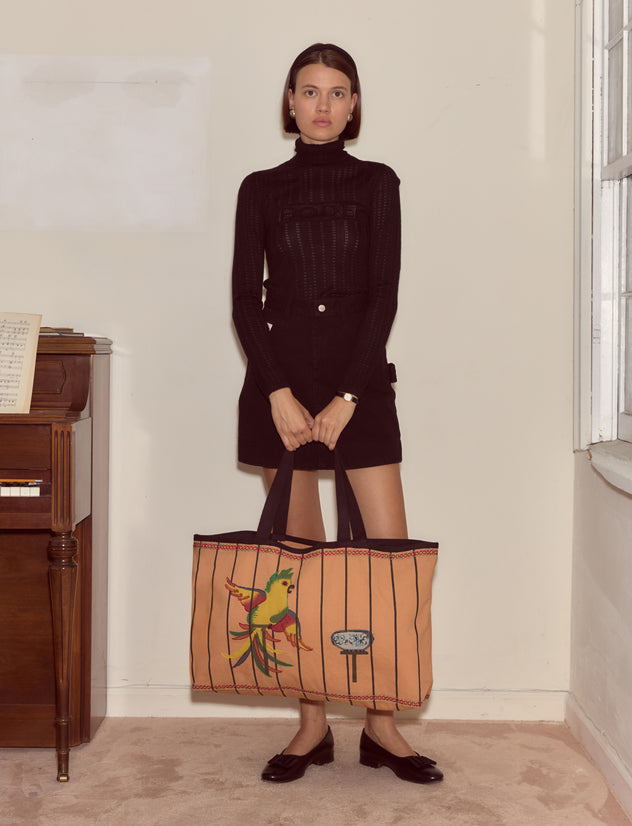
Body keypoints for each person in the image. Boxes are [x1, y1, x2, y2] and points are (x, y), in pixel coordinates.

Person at [231, 42, 442, 785]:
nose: (323, 105)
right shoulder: (259, 188)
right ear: (290, 102)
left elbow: (383, 295)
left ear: (354, 106)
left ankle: (382, 728)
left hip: (360, 389)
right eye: (310, 91)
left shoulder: (377, 182)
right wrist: (278, 393)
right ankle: (313, 726)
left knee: (387, 563)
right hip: (280, 391)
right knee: (298, 571)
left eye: (338, 92)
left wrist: (350, 396)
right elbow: (244, 301)